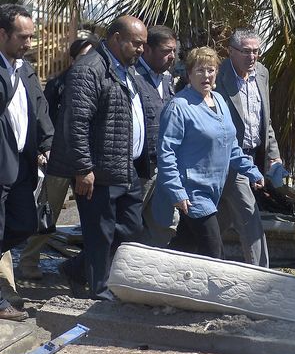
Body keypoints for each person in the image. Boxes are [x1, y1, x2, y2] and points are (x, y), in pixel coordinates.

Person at [49, 15, 149, 300]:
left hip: (124, 167)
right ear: (116, 39)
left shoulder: (126, 70)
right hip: (97, 170)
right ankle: (99, 290)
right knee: (99, 233)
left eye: (143, 45)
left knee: (131, 228)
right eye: (136, 44)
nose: (142, 49)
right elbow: (76, 122)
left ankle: (75, 269)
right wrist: (83, 168)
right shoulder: (89, 69)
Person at [154, 47, 264, 259]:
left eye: (211, 70)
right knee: (214, 251)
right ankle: (216, 292)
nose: (206, 76)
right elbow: (166, 153)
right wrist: (177, 191)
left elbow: (230, 145)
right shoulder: (179, 106)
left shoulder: (219, 101)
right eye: (200, 70)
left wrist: (252, 171)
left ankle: (155, 279)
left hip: (214, 189)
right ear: (189, 74)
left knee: (184, 246)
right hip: (192, 191)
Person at [18, 34, 98, 280]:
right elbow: (43, 117)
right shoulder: (57, 84)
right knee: (47, 212)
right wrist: (45, 149)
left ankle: (89, 267)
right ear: (73, 60)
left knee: (94, 217)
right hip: (59, 159)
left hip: (90, 161)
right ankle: (29, 261)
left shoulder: (102, 80)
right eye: (84, 57)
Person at [0, 4, 53, 319]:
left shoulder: (25, 69)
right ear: (2, 34)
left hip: (22, 164)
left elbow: (39, 107)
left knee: (25, 224)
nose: (29, 43)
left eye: (31, 36)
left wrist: (46, 143)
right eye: (22, 36)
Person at [215, 28, 280, 266]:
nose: (251, 57)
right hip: (228, 157)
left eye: (256, 52)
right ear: (231, 51)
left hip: (253, 155)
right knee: (249, 214)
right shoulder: (217, 75)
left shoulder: (261, 73)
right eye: (245, 52)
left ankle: (192, 252)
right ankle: (261, 272)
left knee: (222, 214)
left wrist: (274, 155)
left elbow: (265, 120)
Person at [133, 25, 177, 247]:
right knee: (127, 224)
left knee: (165, 225)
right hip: (140, 167)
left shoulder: (168, 81)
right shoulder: (132, 77)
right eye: (166, 51)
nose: (172, 57)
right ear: (148, 50)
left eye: (174, 51)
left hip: (165, 165)